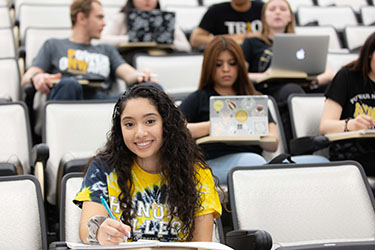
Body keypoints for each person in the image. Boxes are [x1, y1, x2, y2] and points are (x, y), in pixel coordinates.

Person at [74, 85, 222, 245]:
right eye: (129, 124)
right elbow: (86, 230)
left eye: (150, 121)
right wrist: (99, 232)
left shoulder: (197, 173)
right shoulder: (103, 168)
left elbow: (201, 245)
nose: (140, 133)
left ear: (166, 124)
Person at [180, 36, 279, 184]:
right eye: (218, 64)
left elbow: (273, 143)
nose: (226, 69)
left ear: (240, 66)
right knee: (254, 163)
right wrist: (213, 126)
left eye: (232, 63)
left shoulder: (253, 99)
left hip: (253, 160)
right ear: (209, 67)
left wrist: (254, 131)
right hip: (213, 163)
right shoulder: (199, 98)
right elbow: (174, 128)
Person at [21, 0, 159, 101]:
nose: (104, 23)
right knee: (69, 83)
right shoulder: (53, 45)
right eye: (99, 17)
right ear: (81, 18)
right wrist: (37, 78)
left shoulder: (106, 49)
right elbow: (26, 78)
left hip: (103, 102)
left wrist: (142, 75)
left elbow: (128, 74)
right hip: (69, 99)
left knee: (151, 88)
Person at [241, 0, 334, 144]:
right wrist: (265, 75)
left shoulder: (301, 43)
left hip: (302, 87)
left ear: (290, 17)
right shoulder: (252, 43)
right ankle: (298, 143)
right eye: (272, 9)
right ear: (264, 17)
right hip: (268, 90)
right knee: (291, 90)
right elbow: (240, 74)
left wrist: (313, 81)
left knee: (333, 88)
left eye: (283, 9)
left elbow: (328, 73)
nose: (277, 12)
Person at [320, 32, 375, 176]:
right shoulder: (347, 76)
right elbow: (325, 126)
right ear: (370, 53)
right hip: (351, 154)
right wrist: (352, 125)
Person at [100, 0, 191, 53]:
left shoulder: (166, 20)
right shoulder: (121, 18)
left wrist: (164, 40)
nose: (147, 0)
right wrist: (133, 39)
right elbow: (102, 40)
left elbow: (186, 47)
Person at [189, 0, 263, 49]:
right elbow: (195, 39)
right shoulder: (216, 10)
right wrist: (231, 39)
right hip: (226, 59)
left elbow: (273, 35)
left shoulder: (264, 9)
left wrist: (258, 36)